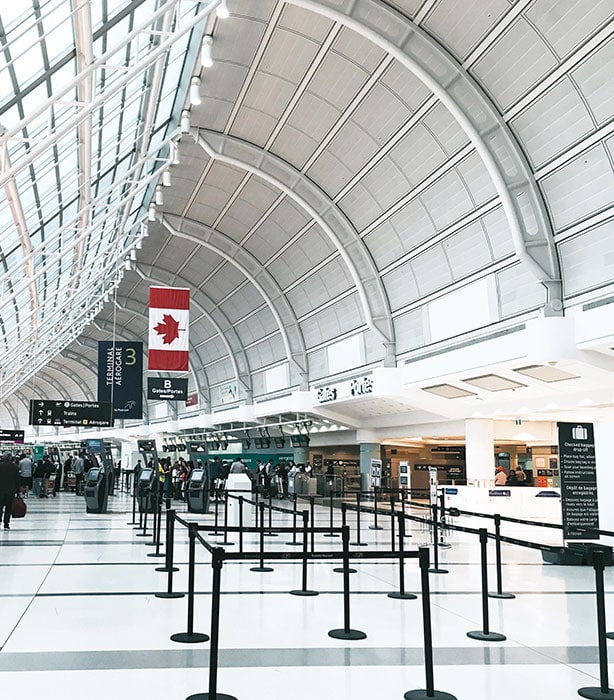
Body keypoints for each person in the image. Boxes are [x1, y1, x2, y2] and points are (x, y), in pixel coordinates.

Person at [0, 452, 20, 529]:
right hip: (11, 490)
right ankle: (6, 523)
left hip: (1, 490)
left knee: (0, 506)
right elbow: (17, 479)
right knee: (8, 508)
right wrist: (18, 491)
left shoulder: (0, 466)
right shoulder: (15, 466)